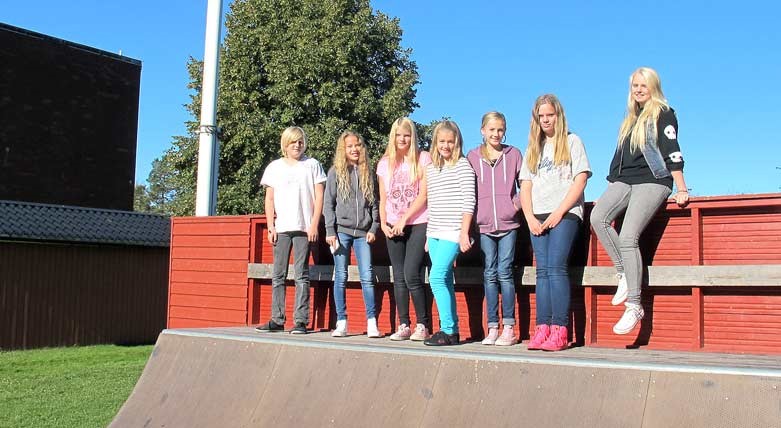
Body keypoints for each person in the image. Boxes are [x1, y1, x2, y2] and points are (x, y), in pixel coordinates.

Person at [590, 67, 689, 335]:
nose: (638, 90)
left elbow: (671, 149)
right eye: (635, 85)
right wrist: (610, 187)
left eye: (644, 85)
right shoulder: (630, 119)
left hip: (653, 179)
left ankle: (634, 304)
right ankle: (623, 272)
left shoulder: (663, 113)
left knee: (627, 236)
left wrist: (681, 188)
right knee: (598, 217)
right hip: (625, 180)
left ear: (653, 87)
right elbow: (619, 157)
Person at [520, 94, 591, 351]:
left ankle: (560, 329)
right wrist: (529, 217)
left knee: (556, 268)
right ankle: (542, 328)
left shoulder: (572, 141)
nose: (546, 120)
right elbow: (525, 185)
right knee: (542, 271)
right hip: (537, 216)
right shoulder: (533, 148)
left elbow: (580, 179)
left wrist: (559, 212)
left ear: (558, 116)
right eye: (541, 116)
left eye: (550, 115)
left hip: (565, 213)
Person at [400, 120, 476, 346]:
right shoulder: (431, 169)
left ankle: (447, 329)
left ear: (457, 143)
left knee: (435, 277)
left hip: (453, 232)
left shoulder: (463, 166)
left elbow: (469, 202)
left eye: (450, 142)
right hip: (434, 233)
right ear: (435, 142)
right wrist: (428, 235)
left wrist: (464, 233)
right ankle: (452, 331)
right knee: (446, 280)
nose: (446, 146)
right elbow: (430, 202)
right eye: (442, 141)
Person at [256, 126, 326, 335]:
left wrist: (314, 224)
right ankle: (277, 319)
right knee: (278, 275)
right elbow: (269, 199)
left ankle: (300, 321)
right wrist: (271, 226)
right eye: (293, 142)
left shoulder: (312, 165)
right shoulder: (274, 167)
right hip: (282, 228)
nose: (297, 145)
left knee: (301, 275)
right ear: (285, 144)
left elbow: (319, 196)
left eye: (300, 141)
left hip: (304, 228)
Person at [466, 112, 523, 346]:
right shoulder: (472, 157)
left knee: (505, 272)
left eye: (500, 130)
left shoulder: (514, 154)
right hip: (484, 225)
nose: (496, 134)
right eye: (491, 129)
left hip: (509, 224)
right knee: (489, 273)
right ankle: (492, 327)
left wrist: (513, 206)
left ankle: (509, 327)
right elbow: (467, 190)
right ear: (483, 131)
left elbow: (525, 185)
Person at [377, 117, 433, 341]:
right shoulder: (384, 163)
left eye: (407, 135)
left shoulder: (423, 158)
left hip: (418, 222)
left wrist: (405, 219)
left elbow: (424, 195)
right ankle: (403, 324)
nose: (402, 139)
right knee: (398, 276)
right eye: (398, 135)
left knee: (412, 273)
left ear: (413, 137)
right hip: (392, 224)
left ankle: (423, 324)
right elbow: (383, 198)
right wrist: (383, 223)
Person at [324, 131, 382, 338]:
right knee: (340, 276)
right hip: (341, 232)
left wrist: (374, 227)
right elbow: (328, 204)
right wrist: (330, 231)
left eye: (357, 145)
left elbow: (375, 203)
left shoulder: (368, 172)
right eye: (349, 146)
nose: (354, 149)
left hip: (363, 234)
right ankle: (341, 321)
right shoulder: (335, 172)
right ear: (343, 149)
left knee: (367, 276)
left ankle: (372, 322)